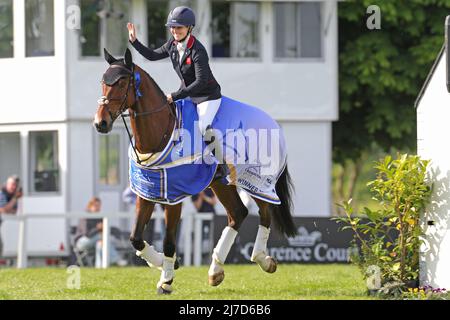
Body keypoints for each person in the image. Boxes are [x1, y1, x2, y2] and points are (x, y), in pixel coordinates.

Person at [127, 6, 222, 137]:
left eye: (179, 27)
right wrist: (134, 42)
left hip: (206, 96)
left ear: (189, 28)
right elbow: (152, 56)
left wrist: (175, 96)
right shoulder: (172, 43)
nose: (175, 31)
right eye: (172, 27)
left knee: (204, 128)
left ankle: (219, 157)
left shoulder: (198, 51)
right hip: (188, 93)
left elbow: (201, 82)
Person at [74, 197, 126, 267]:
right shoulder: (85, 217)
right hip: (81, 242)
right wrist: (98, 228)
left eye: (99, 206)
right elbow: (87, 234)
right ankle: (116, 259)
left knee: (100, 244)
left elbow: (105, 229)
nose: (98, 208)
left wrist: (117, 232)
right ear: (90, 206)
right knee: (102, 238)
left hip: (95, 241)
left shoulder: (99, 216)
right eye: (96, 205)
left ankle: (99, 267)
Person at [191, 188, 217, 263]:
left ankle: (213, 256)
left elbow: (214, 202)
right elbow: (198, 206)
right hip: (200, 217)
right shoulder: (194, 191)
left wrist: (204, 196)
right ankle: (200, 256)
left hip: (211, 216)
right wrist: (200, 196)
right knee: (200, 237)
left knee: (213, 236)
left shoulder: (209, 189)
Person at [0, 175, 22, 257]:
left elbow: (14, 212)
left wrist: (7, 208)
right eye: (12, 184)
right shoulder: (1, 193)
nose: (14, 187)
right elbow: (3, 210)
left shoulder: (13, 196)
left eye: (16, 185)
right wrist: (15, 199)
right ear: (7, 184)